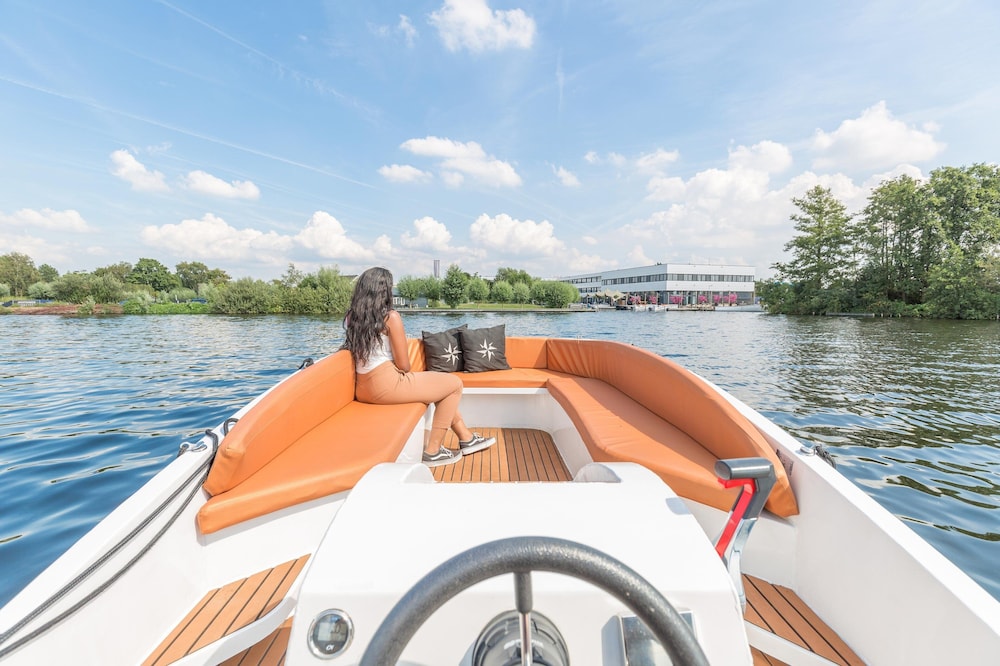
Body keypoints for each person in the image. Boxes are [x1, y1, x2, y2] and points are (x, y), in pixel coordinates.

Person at [341, 267, 496, 467]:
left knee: (439, 388)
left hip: (363, 389)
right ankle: (433, 451)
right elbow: (404, 365)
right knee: (454, 384)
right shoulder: (390, 317)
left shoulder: (351, 317)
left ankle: (466, 437)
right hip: (386, 384)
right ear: (384, 290)